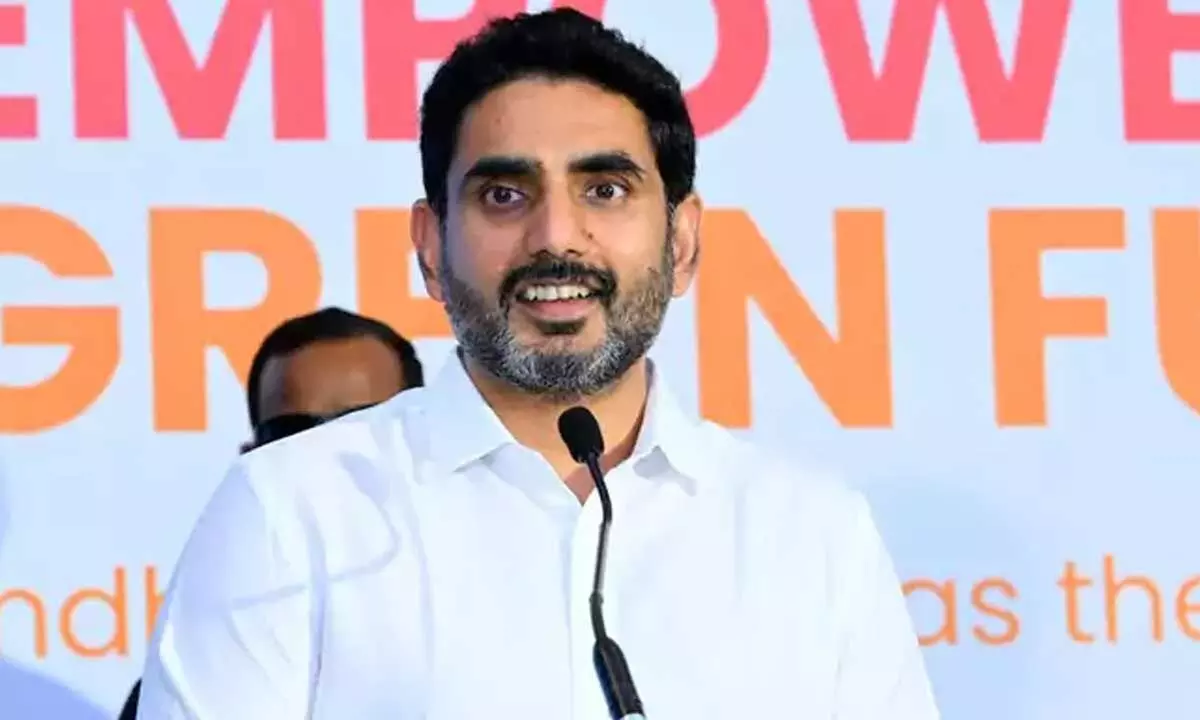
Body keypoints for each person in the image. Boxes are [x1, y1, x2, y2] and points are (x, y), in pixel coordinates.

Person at [136, 9, 938, 719]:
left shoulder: (813, 535)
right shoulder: (292, 509)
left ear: (683, 241)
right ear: (430, 246)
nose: (555, 236)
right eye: (504, 196)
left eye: (606, 190)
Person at [120, 307, 423, 719]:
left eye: (361, 428)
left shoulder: (493, 607)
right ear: (252, 459)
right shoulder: (191, 681)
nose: (323, 458)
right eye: (292, 436)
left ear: (418, 444)